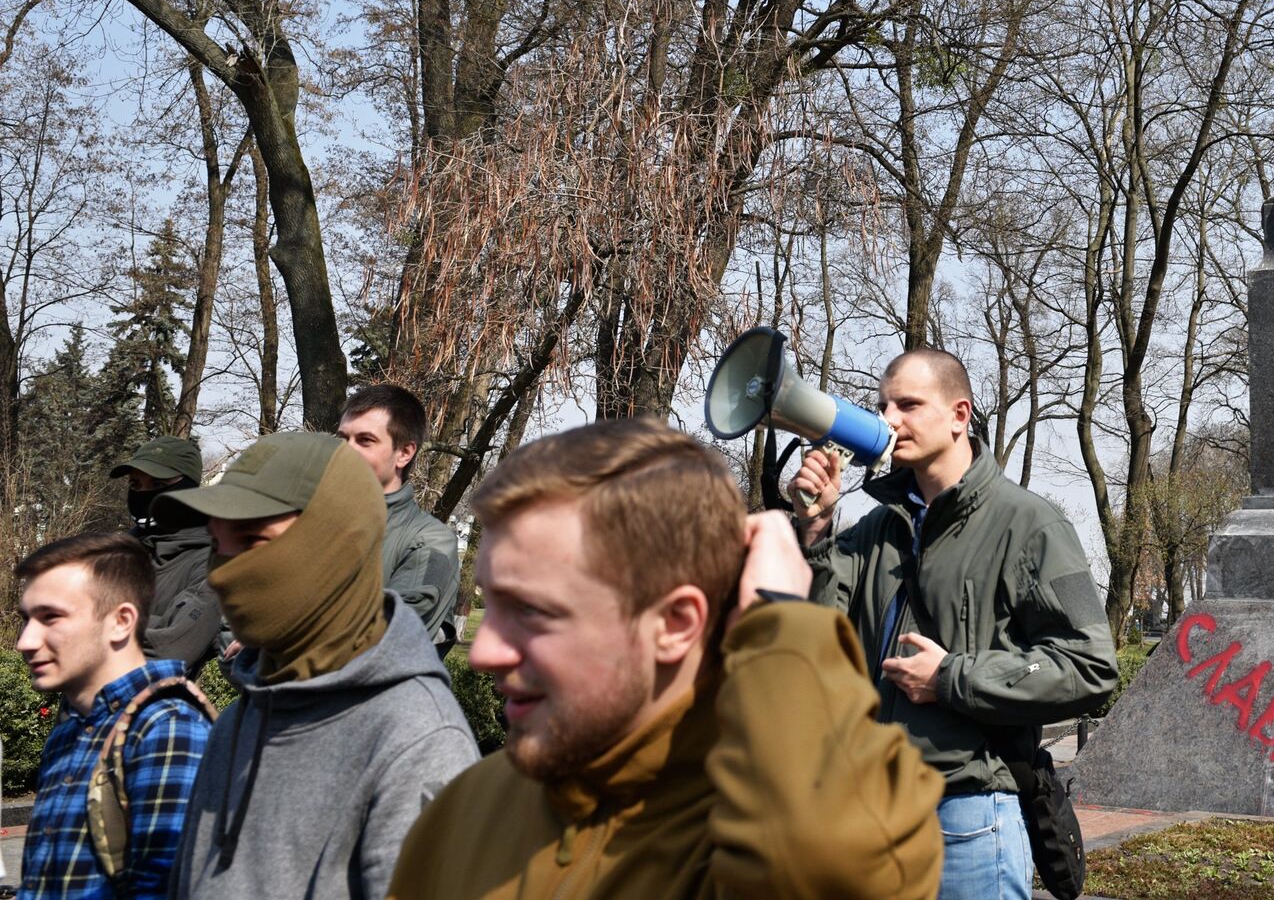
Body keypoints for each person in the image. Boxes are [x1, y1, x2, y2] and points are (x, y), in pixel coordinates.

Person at [384, 418, 944, 900]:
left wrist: (780, 623)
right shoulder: (465, 811)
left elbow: (824, 870)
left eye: (532, 612)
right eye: (492, 603)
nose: (483, 651)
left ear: (676, 624)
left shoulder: (749, 830)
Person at [793, 348, 1120, 900]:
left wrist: (950, 677)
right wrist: (817, 526)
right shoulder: (877, 529)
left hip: (967, 819)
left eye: (909, 405)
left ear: (959, 416)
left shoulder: (1030, 525)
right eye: (882, 406)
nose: (888, 420)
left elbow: (1090, 665)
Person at [159, 432, 478, 899]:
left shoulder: (417, 741)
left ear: (338, 546)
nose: (220, 571)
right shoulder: (238, 721)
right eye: (217, 543)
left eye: (253, 540)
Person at [15, 532, 212, 899]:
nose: (25, 641)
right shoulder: (69, 732)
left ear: (121, 621)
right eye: (26, 619)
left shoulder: (165, 727)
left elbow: (162, 889)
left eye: (50, 617)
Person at [337, 384, 461, 649]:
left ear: (404, 453)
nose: (346, 451)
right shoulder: (301, 521)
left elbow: (380, 639)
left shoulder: (430, 541)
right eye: (342, 439)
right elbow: (233, 628)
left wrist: (270, 642)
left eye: (365, 440)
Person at [109, 436, 222, 678]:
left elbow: (172, 647)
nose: (145, 494)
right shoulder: (116, 553)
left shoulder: (213, 559)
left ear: (189, 488)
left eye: (159, 485)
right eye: (136, 485)